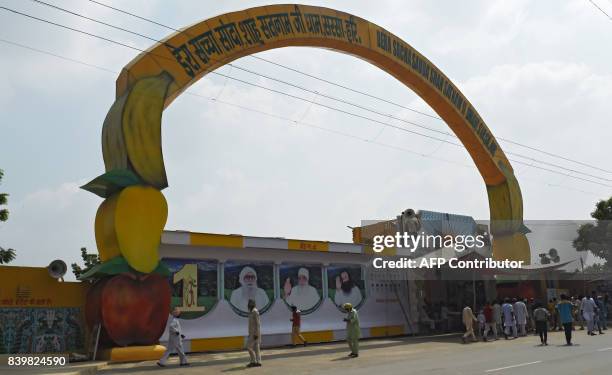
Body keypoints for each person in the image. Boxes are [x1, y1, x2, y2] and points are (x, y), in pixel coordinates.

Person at [246, 299, 262, 367]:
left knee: (249, 347)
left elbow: (258, 324)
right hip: (252, 333)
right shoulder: (251, 311)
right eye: (249, 303)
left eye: (250, 303)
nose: (249, 304)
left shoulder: (255, 311)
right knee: (256, 348)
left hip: (255, 333)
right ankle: (258, 362)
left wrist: (256, 334)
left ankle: (253, 361)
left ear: (253, 304)